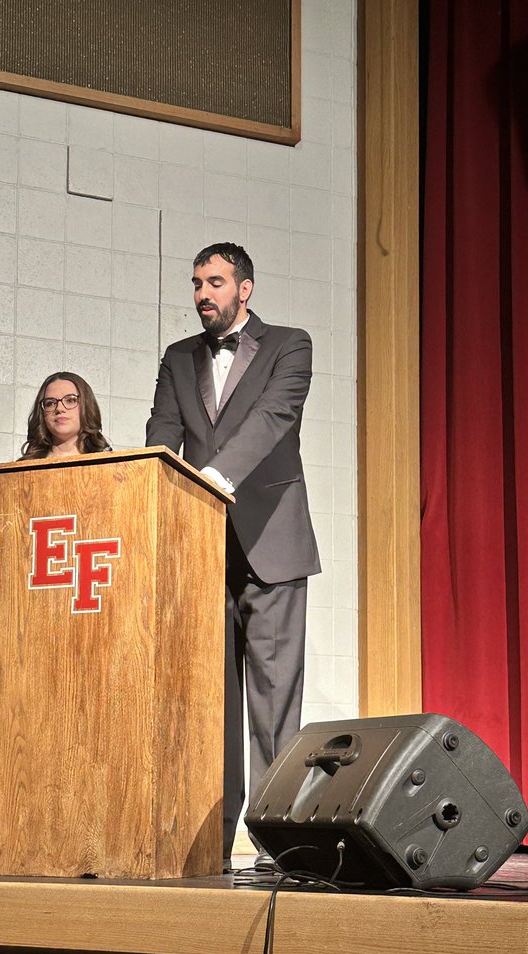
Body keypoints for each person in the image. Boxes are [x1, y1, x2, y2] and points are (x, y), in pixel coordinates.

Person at [145, 243, 321, 864]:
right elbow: (163, 432)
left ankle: (279, 845)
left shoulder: (289, 344)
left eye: (215, 282)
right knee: (209, 706)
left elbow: (275, 417)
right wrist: (161, 497)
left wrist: (214, 478)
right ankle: (209, 847)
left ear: (245, 288)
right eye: (196, 283)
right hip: (201, 545)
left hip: (271, 540)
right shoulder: (177, 358)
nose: (202, 294)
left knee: (274, 706)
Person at [0, 371, 110, 556]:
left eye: (70, 400)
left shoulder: (111, 468)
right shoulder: (20, 475)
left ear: (86, 405)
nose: (59, 409)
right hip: (35, 576)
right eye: (50, 403)